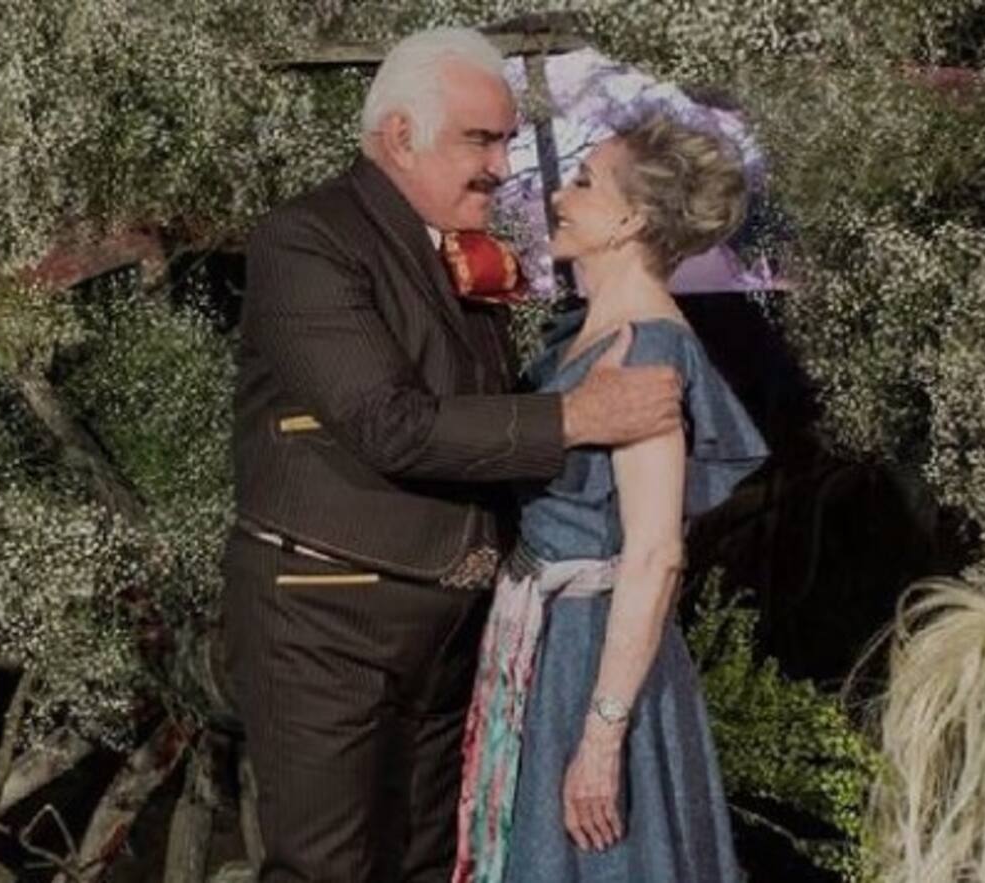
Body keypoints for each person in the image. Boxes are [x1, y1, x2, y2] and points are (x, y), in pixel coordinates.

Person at [221, 28, 682, 883]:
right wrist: (573, 417)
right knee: (327, 870)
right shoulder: (307, 240)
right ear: (401, 135)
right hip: (328, 624)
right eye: (482, 140)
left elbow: (475, 422)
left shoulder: (459, 254)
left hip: (448, 636)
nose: (504, 167)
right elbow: (389, 423)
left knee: (431, 866)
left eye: (507, 141)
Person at [453, 113, 768, 883]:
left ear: (630, 219)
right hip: (548, 645)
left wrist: (601, 738)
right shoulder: (590, 333)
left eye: (584, 182)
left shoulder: (648, 347)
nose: (560, 196)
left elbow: (655, 554)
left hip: (589, 658)